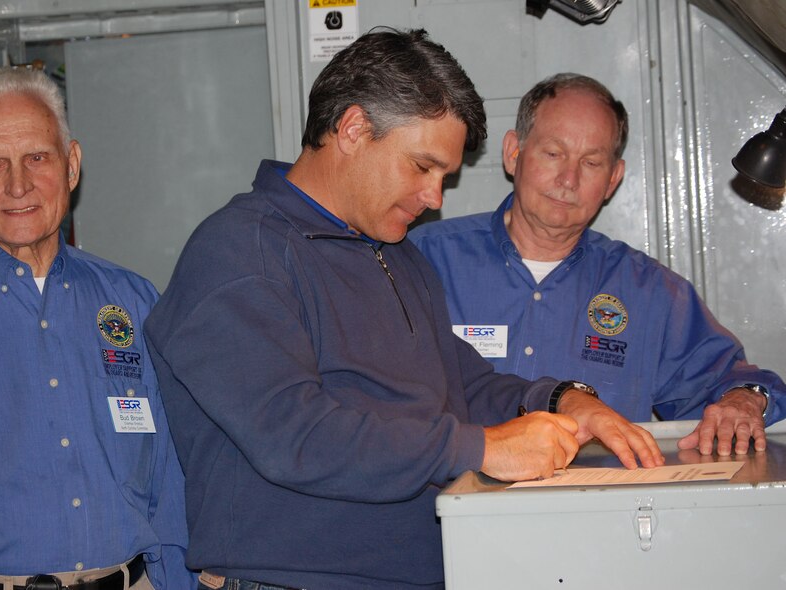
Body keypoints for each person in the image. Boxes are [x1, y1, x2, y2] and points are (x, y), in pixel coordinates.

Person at [145, 30, 663, 590]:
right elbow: (296, 436)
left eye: (445, 176)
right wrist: (484, 447)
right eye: (422, 167)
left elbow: (462, 380)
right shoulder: (241, 252)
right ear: (353, 129)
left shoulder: (395, 254)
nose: (436, 197)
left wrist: (561, 401)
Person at [0, 67, 194, 590]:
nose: (19, 184)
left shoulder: (133, 301)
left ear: (71, 165)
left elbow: (169, 473)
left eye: (37, 157)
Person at [410, 72, 785, 457]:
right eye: (553, 153)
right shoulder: (423, 260)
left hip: (598, 508)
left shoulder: (650, 293)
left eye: (591, 162)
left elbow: (729, 380)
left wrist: (743, 400)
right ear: (513, 152)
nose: (568, 179)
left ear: (613, 180)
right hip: (453, 507)